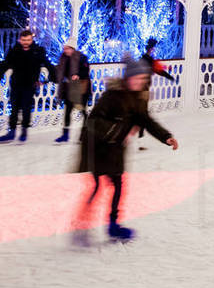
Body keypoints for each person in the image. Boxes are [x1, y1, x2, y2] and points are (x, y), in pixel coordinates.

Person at [72, 60, 179, 243]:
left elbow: (146, 120)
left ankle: (113, 226)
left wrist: (166, 137)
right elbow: (93, 121)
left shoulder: (137, 98)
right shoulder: (112, 95)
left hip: (114, 149)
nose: (140, 82)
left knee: (118, 186)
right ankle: (81, 226)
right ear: (128, 78)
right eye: (137, 78)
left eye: (143, 78)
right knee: (98, 186)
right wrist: (115, 131)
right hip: (97, 147)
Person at [0, 29, 53, 142]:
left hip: (30, 85)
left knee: (26, 108)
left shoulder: (37, 51)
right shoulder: (15, 51)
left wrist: (48, 78)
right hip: (16, 84)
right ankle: (12, 132)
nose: (26, 42)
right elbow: (6, 63)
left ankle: (24, 132)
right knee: (14, 108)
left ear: (31, 39)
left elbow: (47, 65)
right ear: (20, 40)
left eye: (28, 40)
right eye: (24, 40)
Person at [55, 42, 91, 143]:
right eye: (64, 49)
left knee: (83, 112)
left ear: (73, 48)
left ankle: (84, 134)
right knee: (67, 111)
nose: (65, 51)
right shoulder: (63, 58)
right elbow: (59, 72)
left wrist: (78, 75)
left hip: (81, 90)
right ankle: (65, 135)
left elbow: (86, 71)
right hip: (69, 89)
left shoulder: (82, 58)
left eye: (67, 48)